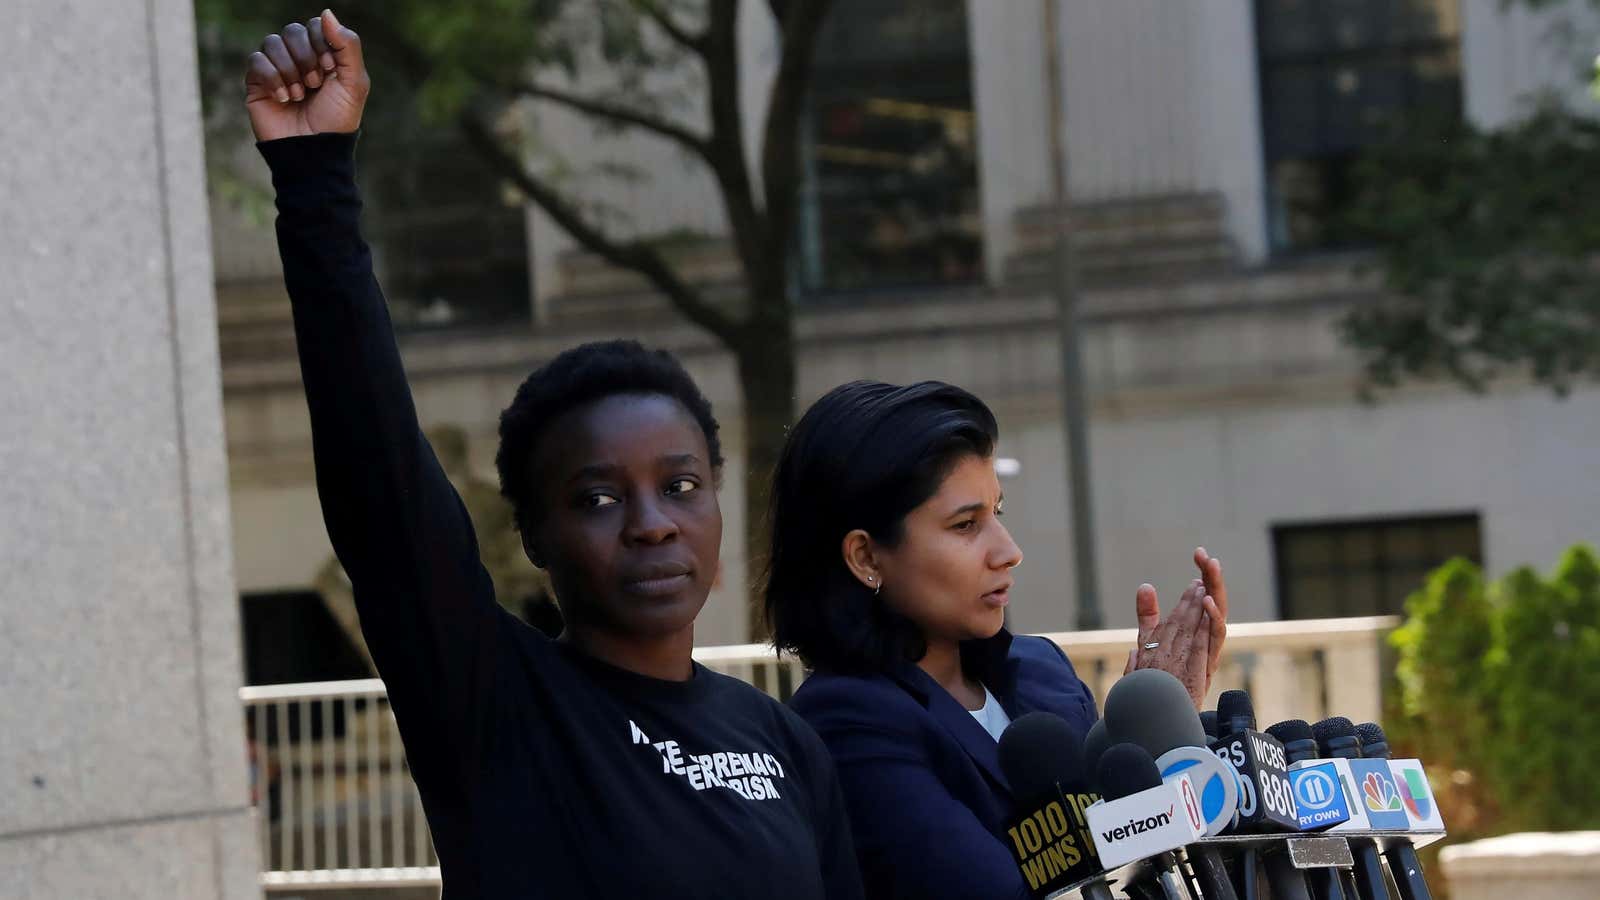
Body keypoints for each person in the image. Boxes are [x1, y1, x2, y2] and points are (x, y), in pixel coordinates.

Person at [243, 11, 862, 898]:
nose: (652, 525)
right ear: (533, 535)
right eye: (599, 498)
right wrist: (312, 181)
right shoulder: (495, 702)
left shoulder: (781, 738)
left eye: (680, 486)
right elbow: (375, 472)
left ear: (718, 504)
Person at [764, 380, 1227, 899]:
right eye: (966, 525)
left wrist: (1154, 738)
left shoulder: (1041, 670)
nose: (1008, 551)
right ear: (866, 558)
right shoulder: (845, 719)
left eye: (997, 514)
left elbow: (1129, 852)